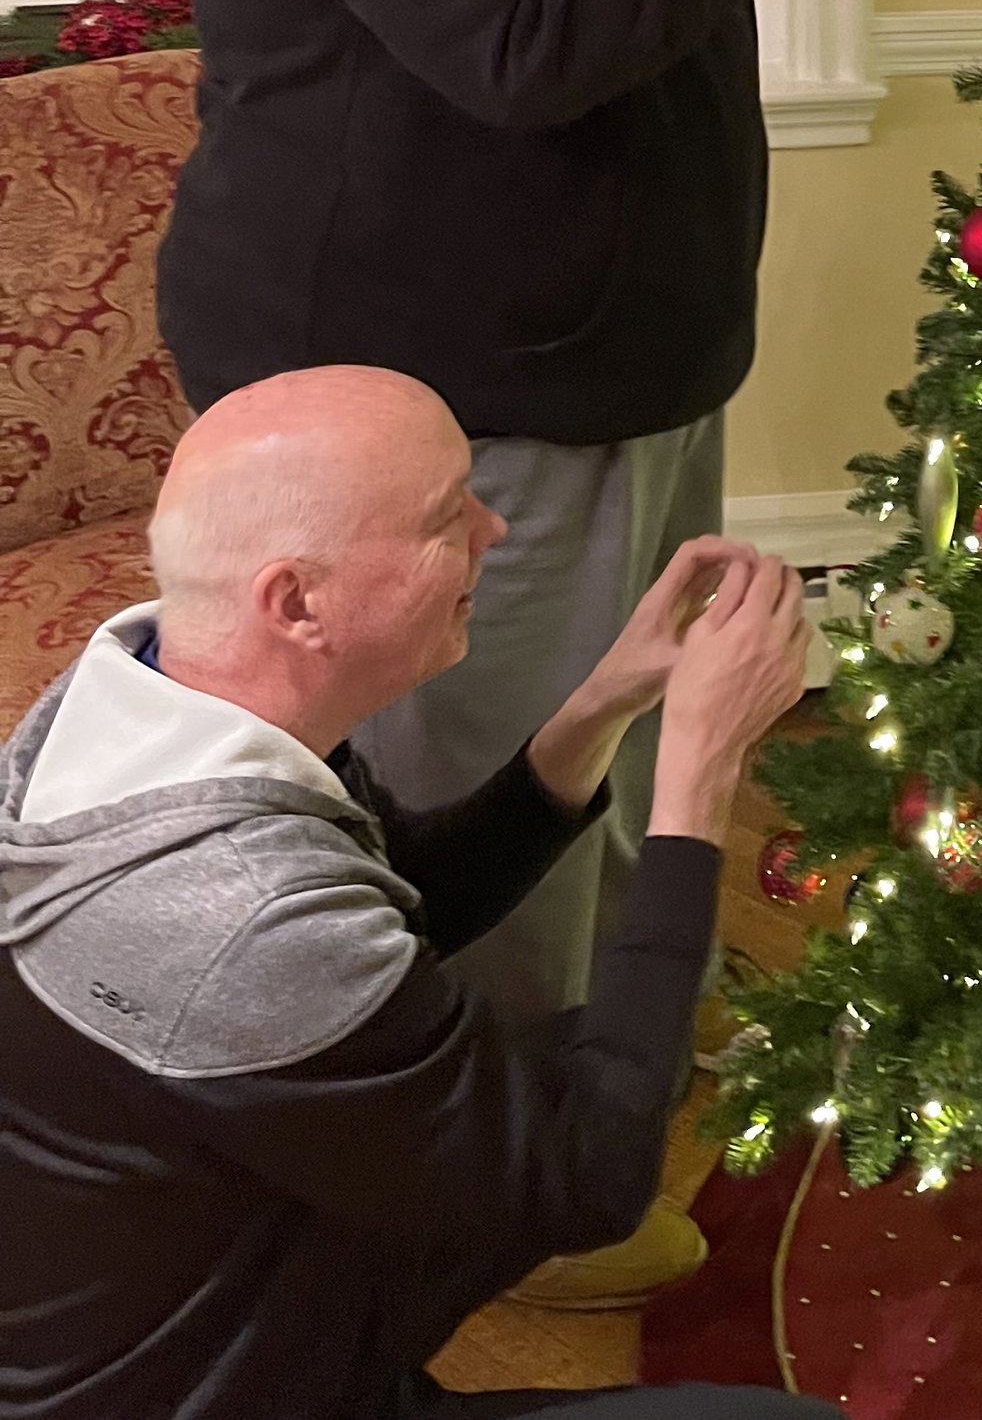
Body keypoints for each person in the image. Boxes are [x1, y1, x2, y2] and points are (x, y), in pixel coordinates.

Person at [157, 0, 924, 1291]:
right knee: (480, 782)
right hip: (455, 383)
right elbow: (521, 32)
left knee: (595, 725)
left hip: (617, 354)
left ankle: (596, 1032)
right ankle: (501, 1193)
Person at [0, 364, 844, 1420]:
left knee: (560, 1057)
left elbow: (393, 906)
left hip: (213, 1273)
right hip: (210, 1389)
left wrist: (605, 702)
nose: (493, 529)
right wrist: (698, 779)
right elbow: (594, 1176)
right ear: (297, 601)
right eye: (449, 512)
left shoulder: (143, 699)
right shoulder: (238, 920)